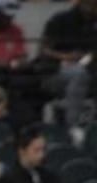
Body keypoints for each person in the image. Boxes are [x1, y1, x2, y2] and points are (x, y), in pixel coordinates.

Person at [39, 0, 97, 141]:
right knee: (79, 74)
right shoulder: (60, 20)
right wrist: (65, 56)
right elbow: (43, 49)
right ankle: (72, 127)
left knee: (83, 73)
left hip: (89, 69)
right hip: (55, 73)